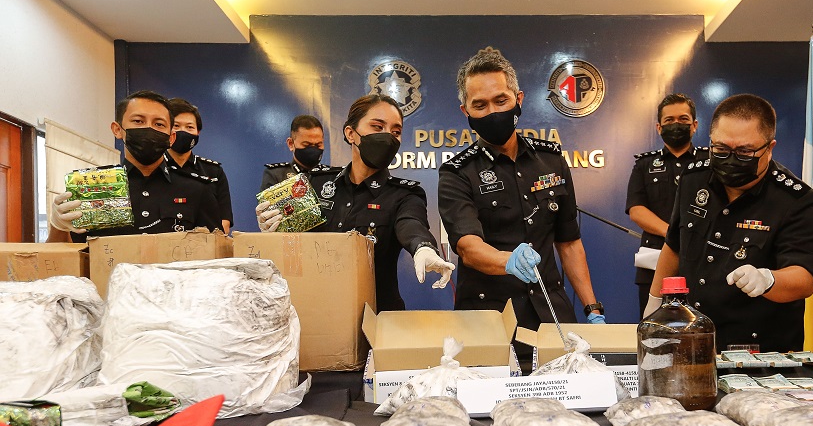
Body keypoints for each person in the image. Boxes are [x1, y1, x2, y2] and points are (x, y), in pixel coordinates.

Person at [438, 46, 605, 337]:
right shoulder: (457, 173)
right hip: (489, 320)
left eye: (501, 100)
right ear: (466, 111)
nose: (493, 111)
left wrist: (592, 309)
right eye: (480, 105)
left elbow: (569, 243)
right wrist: (509, 261)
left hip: (552, 311)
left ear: (518, 99)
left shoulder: (551, 160)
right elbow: (468, 248)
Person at [644, 94, 813, 352]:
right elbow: (674, 247)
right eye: (721, 149)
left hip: (760, 349)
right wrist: (654, 305)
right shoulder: (694, 178)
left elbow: (804, 278)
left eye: (744, 151)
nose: (731, 159)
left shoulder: (796, 200)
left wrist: (768, 280)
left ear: (770, 147)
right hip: (692, 337)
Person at [255, 94, 453, 312]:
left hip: (375, 316)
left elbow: (412, 224)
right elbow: (294, 246)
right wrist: (274, 231)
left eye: (395, 132)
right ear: (351, 133)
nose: (387, 137)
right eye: (377, 127)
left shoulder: (404, 193)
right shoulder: (316, 183)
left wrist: (423, 249)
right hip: (316, 312)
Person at [50, 90, 221, 239]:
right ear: (117, 130)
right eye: (138, 121)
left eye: (159, 124)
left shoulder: (197, 189)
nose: (149, 129)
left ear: (171, 138)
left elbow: (218, 255)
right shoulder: (90, 187)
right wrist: (58, 226)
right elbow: (64, 259)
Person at [626, 93, 708, 315]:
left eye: (683, 119)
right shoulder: (644, 164)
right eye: (669, 120)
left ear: (694, 125)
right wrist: (674, 234)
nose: (676, 125)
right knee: (656, 331)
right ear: (658, 127)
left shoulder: (710, 162)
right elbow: (636, 210)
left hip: (703, 260)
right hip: (655, 260)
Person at [164, 98, 234, 234]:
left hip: (205, 249)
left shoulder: (214, 171)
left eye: (190, 127)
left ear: (198, 133)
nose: (182, 132)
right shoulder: (153, 168)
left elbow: (224, 221)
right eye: (176, 126)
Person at [260, 114, 334, 191]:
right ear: (291, 144)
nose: (313, 149)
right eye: (306, 145)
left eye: (318, 145)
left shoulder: (332, 175)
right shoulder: (276, 175)